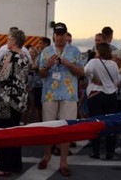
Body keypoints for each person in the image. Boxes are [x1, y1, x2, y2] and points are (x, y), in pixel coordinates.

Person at [37, 22, 85, 177]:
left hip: (69, 95)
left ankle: (64, 161)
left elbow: (81, 72)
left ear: (66, 35)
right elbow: (41, 74)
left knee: (66, 128)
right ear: (54, 35)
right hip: (49, 94)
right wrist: (48, 65)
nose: (58, 36)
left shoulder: (75, 51)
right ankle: (47, 156)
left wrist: (69, 64)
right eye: (56, 34)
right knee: (48, 128)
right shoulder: (45, 51)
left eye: (61, 34)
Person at [0, 29, 30, 176]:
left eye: (8, 39)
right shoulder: (25, 57)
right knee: (15, 131)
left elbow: (2, 76)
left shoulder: (9, 55)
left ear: (14, 41)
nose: (7, 42)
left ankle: (4, 167)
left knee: (3, 132)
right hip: (19, 99)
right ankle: (15, 164)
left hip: (6, 99)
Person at [84, 43, 119, 160]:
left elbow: (86, 71)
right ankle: (110, 152)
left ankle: (96, 151)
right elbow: (116, 80)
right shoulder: (113, 64)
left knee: (95, 123)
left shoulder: (94, 62)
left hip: (96, 94)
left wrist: (93, 78)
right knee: (110, 123)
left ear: (99, 51)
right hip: (111, 95)